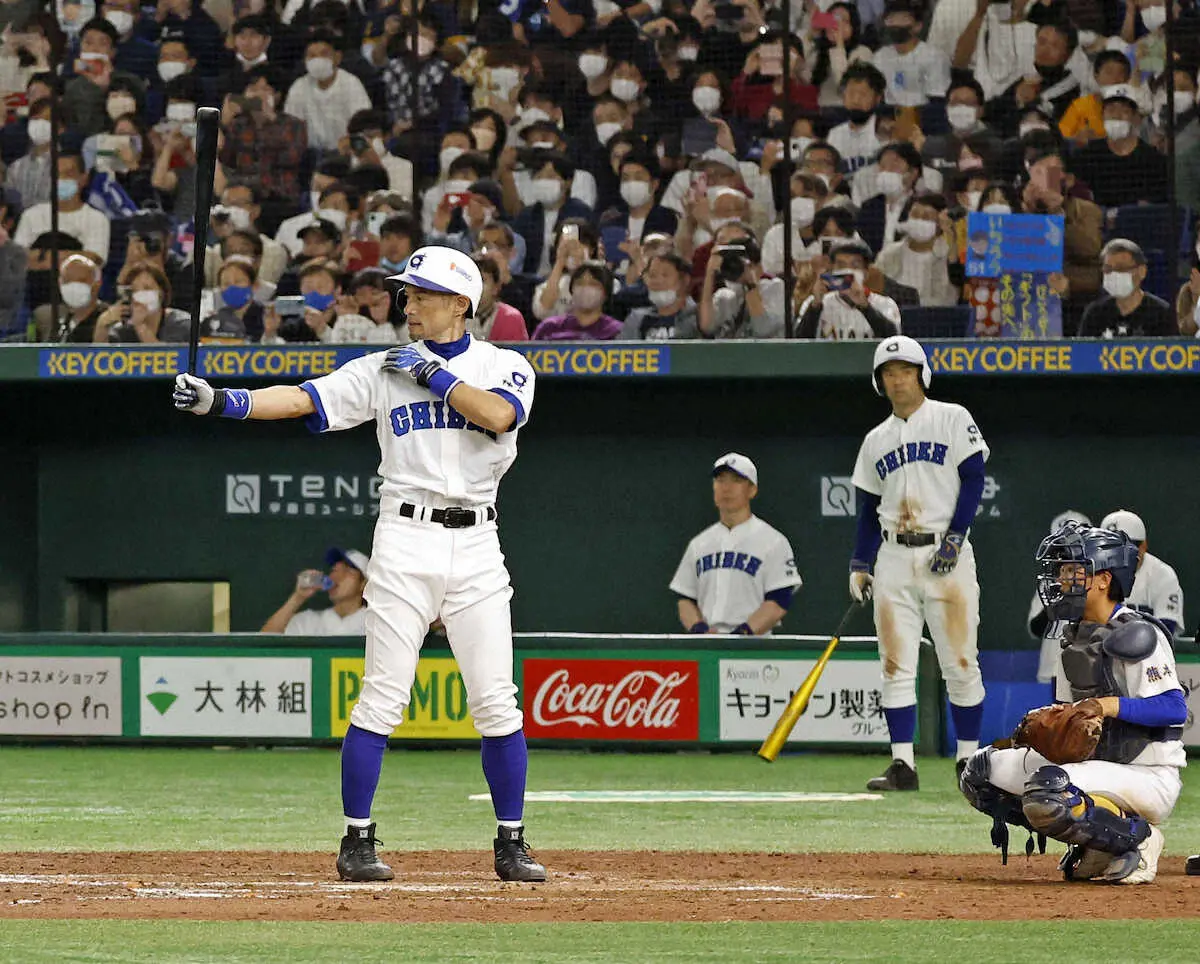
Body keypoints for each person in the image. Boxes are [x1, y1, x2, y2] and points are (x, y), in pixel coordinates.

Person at [173, 246, 545, 884]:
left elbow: (498, 415)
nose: (409, 304)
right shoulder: (382, 367)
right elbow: (300, 399)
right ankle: (357, 840)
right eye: (406, 293)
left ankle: (511, 842)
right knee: (381, 696)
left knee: (496, 702)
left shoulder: (503, 365)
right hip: (403, 538)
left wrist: (432, 375)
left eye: (422, 294)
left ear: (461, 303)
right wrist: (221, 403)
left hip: (479, 543)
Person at [960, 521, 1184, 885]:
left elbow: (1175, 708)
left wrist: (1108, 706)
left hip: (1148, 774)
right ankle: (1097, 842)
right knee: (980, 772)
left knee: (1049, 790)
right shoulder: (1076, 634)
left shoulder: (1137, 633)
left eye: (1072, 571)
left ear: (1103, 580)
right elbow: (1072, 717)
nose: (1063, 580)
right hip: (1096, 766)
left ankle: (1138, 839)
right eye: (1061, 571)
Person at [848, 335, 988, 790]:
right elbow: (867, 509)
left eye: (905, 370)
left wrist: (955, 537)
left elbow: (973, 479)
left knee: (960, 661)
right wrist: (859, 562)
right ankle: (902, 765)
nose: (897, 379)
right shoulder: (875, 440)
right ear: (880, 382)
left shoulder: (952, 418)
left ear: (921, 374)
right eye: (889, 373)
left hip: (944, 551)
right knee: (894, 663)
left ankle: (968, 760)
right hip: (892, 556)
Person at [669, 453, 802, 636]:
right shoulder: (699, 544)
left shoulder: (773, 541)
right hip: (705, 646)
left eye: (736, 480)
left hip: (754, 647)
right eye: (720, 480)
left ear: (752, 490)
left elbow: (780, 600)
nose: (726, 488)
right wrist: (699, 630)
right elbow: (685, 598)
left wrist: (742, 635)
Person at [1028, 509, 1091, 687]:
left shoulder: (1100, 578)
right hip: (1057, 667)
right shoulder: (1050, 583)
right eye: (1062, 549)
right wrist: (1060, 596)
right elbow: (1036, 629)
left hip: (1094, 665)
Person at [13, 152, 111, 264]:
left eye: (68, 174)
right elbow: (18, 259)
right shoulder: (31, 214)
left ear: (84, 178)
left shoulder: (97, 219)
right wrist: (71, 256)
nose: (61, 179)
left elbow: (92, 260)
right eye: (56, 175)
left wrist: (40, 256)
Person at [283, 30, 371, 152]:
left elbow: (363, 128)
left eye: (324, 54)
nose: (317, 60)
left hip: (346, 153)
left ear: (338, 57)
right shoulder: (299, 86)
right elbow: (291, 127)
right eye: (312, 56)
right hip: (310, 155)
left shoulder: (351, 84)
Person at [1100, 510, 1184, 637]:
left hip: (1149, 652)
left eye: (1127, 548)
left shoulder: (1162, 575)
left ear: (1143, 546)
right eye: (1112, 547)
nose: (1120, 555)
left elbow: (1165, 631)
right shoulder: (1095, 573)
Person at [796, 238, 901, 340]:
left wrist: (865, 307)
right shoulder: (814, 303)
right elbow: (799, 344)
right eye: (841, 265)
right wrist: (816, 306)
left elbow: (893, 340)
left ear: (866, 273)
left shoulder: (886, 304)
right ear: (832, 270)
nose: (847, 271)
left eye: (855, 265)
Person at [1078, 240, 1175, 339]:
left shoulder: (1161, 314)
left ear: (1142, 271)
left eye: (1121, 268)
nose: (1114, 274)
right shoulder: (1094, 313)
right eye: (1108, 269)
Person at [261, 548, 369, 634]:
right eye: (334, 570)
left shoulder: (374, 624)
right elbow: (263, 646)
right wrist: (298, 597)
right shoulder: (309, 621)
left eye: (347, 571)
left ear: (363, 584)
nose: (336, 576)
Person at [871, 1, 950, 109]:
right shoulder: (879, 57)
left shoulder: (934, 56)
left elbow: (937, 100)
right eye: (891, 19)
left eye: (903, 19)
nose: (896, 24)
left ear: (918, 26)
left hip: (923, 115)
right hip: (889, 116)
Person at [96, 261, 190, 342]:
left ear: (161, 293)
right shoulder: (122, 330)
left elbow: (169, 360)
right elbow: (102, 359)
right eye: (135, 290)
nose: (140, 294)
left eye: (147, 288)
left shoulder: (182, 324)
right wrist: (102, 325)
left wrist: (140, 326)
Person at [530, 262, 622, 341]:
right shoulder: (549, 327)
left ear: (605, 293)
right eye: (580, 283)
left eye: (594, 284)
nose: (586, 289)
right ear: (571, 289)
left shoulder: (617, 331)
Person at [621, 252, 699, 340]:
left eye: (665, 275)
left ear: (684, 280)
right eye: (652, 276)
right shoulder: (635, 319)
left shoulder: (698, 317)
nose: (657, 281)